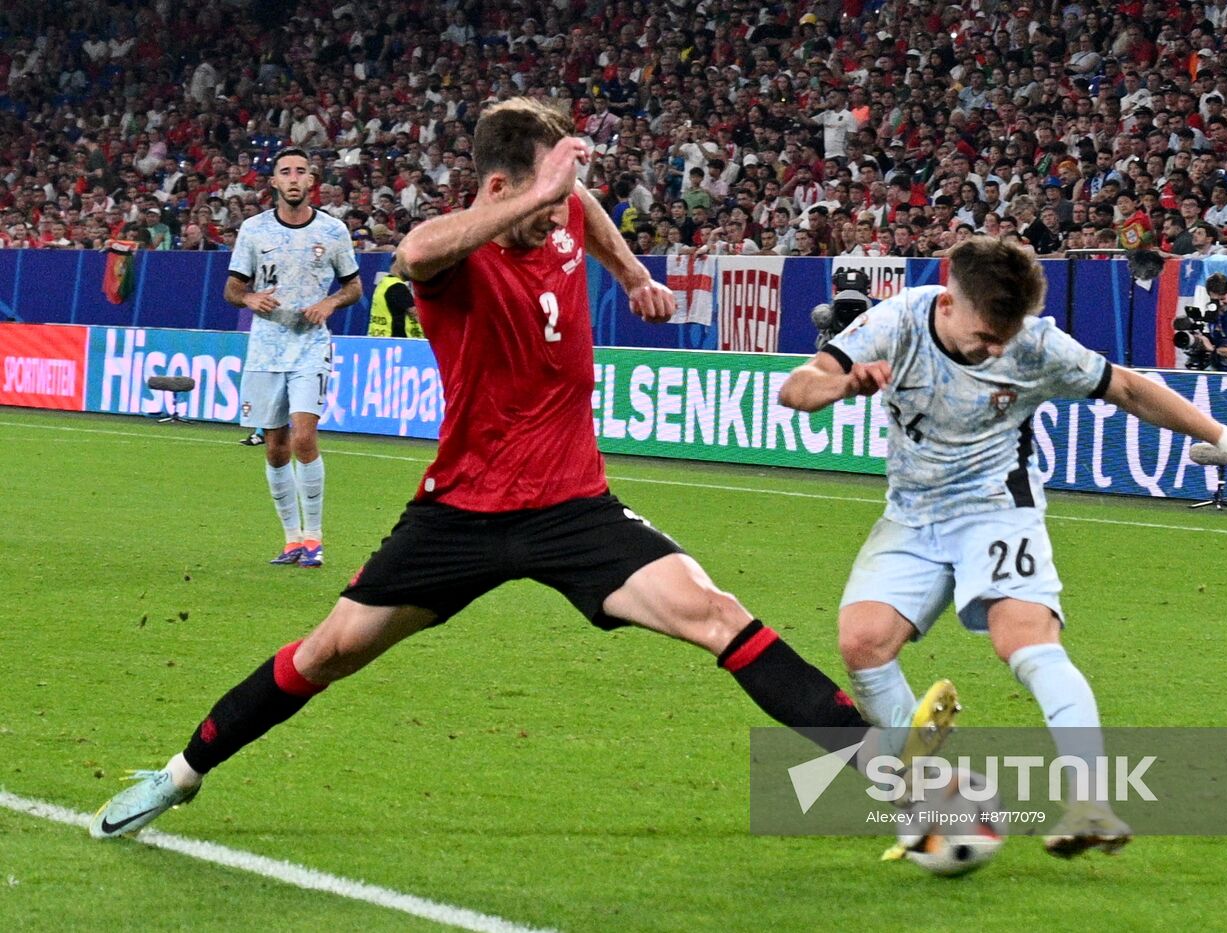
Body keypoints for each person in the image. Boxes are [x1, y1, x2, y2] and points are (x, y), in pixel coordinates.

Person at [90, 99, 951, 844]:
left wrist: (633, 270)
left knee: (718, 615)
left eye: (562, 199)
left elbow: (585, 212)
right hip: (461, 512)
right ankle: (181, 771)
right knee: (330, 652)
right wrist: (537, 196)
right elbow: (415, 253)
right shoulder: (459, 255)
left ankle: (904, 788)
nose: (558, 216)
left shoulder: (563, 208)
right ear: (500, 187)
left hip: (574, 506)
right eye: (543, 199)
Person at [778, 238, 1227, 858]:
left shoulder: (1036, 343)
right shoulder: (897, 320)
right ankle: (929, 794)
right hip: (911, 514)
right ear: (948, 299)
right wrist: (839, 386)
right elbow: (800, 387)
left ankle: (1092, 803)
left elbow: (1127, 387)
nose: (998, 348)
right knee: (862, 644)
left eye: (1007, 335)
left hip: (996, 508)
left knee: (1021, 640)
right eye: (987, 334)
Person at [225, 147, 363, 569]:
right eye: (285, 171)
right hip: (267, 347)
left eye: (301, 172)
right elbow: (232, 289)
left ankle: (315, 538)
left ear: (312, 180)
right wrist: (250, 297)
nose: (293, 178)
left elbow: (354, 286)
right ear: (274, 182)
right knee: (275, 447)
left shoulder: (334, 231)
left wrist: (330, 303)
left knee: (304, 436)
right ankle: (290, 539)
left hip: (310, 345)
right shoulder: (254, 230)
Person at [367, 254, 425, 338]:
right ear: (399, 264)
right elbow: (416, 315)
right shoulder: (398, 287)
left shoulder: (384, 283)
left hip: (380, 337)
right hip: (398, 341)